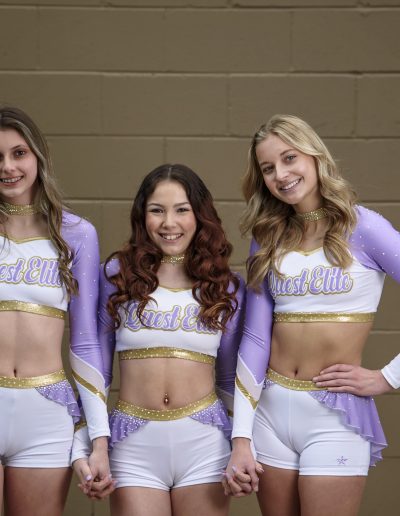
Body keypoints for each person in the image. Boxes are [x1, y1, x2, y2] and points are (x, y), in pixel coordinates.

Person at [224, 114, 400, 516]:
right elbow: (255, 339)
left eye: (289, 158)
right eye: (268, 168)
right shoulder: (267, 236)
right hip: (270, 411)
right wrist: (241, 435)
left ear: (314, 155)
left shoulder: (364, 227)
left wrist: (388, 377)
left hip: (334, 414)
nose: (281, 175)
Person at [96, 164, 245, 516]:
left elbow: (230, 379)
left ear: (200, 215)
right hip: (133, 443)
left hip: (205, 443)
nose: (169, 223)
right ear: (142, 215)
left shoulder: (224, 286)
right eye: (157, 210)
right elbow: (98, 371)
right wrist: (94, 444)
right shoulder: (117, 277)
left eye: (181, 210)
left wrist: (243, 444)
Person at [0, 106, 112, 516]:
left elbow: (85, 342)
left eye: (19, 153)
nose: (8, 167)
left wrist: (98, 438)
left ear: (38, 156)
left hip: (46, 413)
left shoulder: (76, 234)